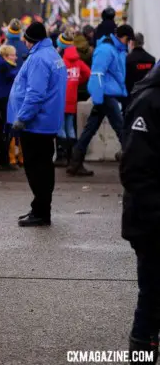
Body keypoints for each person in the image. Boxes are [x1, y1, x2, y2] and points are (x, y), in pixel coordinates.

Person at [119, 64, 160, 362]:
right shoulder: (149, 100)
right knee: (153, 295)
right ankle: (142, 352)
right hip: (151, 222)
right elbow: (135, 169)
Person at [8, 22, 67, 227]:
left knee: (37, 169)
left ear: (31, 39)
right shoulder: (51, 54)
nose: (23, 40)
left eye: (25, 38)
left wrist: (21, 118)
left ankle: (41, 212)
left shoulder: (39, 59)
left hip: (35, 123)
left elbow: (35, 94)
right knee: (44, 167)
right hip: (47, 121)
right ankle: (40, 208)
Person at [68, 24, 134, 177]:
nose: (129, 43)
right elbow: (97, 74)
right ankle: (133, 164)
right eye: (128, 40)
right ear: (124, 38)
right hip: (105, 95)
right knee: (121, 127)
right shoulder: (107, 50)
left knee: (90, 129)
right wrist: (98, 98)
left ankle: (75, 162)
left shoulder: (113, 49)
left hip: (104, 95)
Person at [55, 32, 90, 167]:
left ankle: (62, 156)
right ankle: (72, 156)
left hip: (61, 98)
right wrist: (76, 82)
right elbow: (88, 74)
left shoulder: (60, 62)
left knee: (60, 127)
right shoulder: (78, 61)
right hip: (73, 97)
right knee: (70, 127)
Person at [0, 45, 19, 171]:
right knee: (2, 131)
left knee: (3, 131)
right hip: (2, 102)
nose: (15, 57)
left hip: (3, 101)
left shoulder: (4, 67)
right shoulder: (5, 67)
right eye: (13, 55)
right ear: (6, 57)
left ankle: (0, 159)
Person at [126, 32, 156, 104]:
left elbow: (126, 80)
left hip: (131, 97)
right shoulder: (151, 59)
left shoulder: (128, 59)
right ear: (143, 42)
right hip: (147, 96)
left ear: (132, 42)